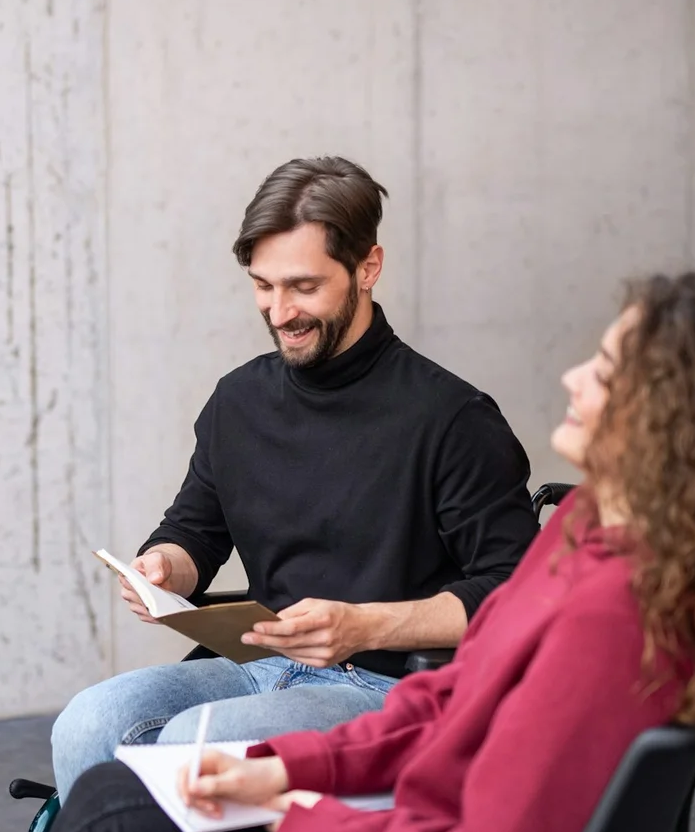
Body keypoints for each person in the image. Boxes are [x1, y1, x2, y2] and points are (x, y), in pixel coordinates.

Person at [0, 271, 695, 832]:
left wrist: (292, 810)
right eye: (263, 284)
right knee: (113, 796)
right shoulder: (584, 528)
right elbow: (446, 699)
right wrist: (277, 769)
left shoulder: (608, 613)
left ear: (678, 417)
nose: (573, 376)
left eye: (607, 367)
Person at [52, 155, 538, 793]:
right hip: (261, 664)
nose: (279, 312)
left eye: (303, 287)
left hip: (393, 686)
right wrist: (165, 569)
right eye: (263, 285)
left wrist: (365, 626)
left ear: (368, 269)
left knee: (190, 747)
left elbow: (516, 594)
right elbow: (193, 533)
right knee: (88, 723)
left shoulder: (452, 418)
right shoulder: (238, 402)